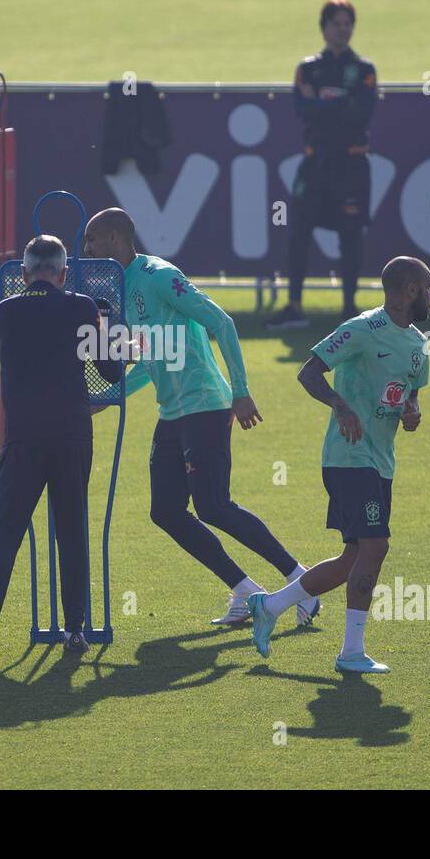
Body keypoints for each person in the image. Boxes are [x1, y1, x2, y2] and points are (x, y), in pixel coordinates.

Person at [81, 207, 321, 627]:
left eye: (92, 241)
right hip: (173, 412)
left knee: (214, 505)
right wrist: (111, 395)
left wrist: (240, 392)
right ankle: (247, 592)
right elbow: (152, 358)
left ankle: (301, 582)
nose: (86, 251)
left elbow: (221, 321)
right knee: (166, 511)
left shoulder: (157, 275)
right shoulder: (123, 290)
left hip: (206, 405)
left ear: (115, 238)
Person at [248, 257, 430, 674]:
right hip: (349, 458)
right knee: (376, 547)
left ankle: (269, 605)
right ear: (411, 290)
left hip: (381, 462)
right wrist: (340, 405)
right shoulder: (362, 330)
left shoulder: (420, 344)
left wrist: (411, 412)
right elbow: (309, 372)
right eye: (429, 287)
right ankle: (351, 653)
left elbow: (411, 393)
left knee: (352, 559)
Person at [0, 235, 126, 662]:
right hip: (73, 435)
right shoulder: (81, 308)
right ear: (64, 273)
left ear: (23, 274)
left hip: (23, 440)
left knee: (5, 534)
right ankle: (75, 631)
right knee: (72, 530)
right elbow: (109, 372)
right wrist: (108, 327)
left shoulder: (4, 312)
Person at [266, 0, 377, 330]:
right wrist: (341, 102)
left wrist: (327, 102)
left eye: (348, 24)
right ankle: (295, 306)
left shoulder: (365, 69)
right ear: (324, 27)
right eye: (337, 23)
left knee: (351, 236)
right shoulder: (308, 68)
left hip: (352, 165)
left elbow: (363, 112)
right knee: (298, 231)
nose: (343, 30)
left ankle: (348, 308)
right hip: (315, 164)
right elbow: (304, 110)